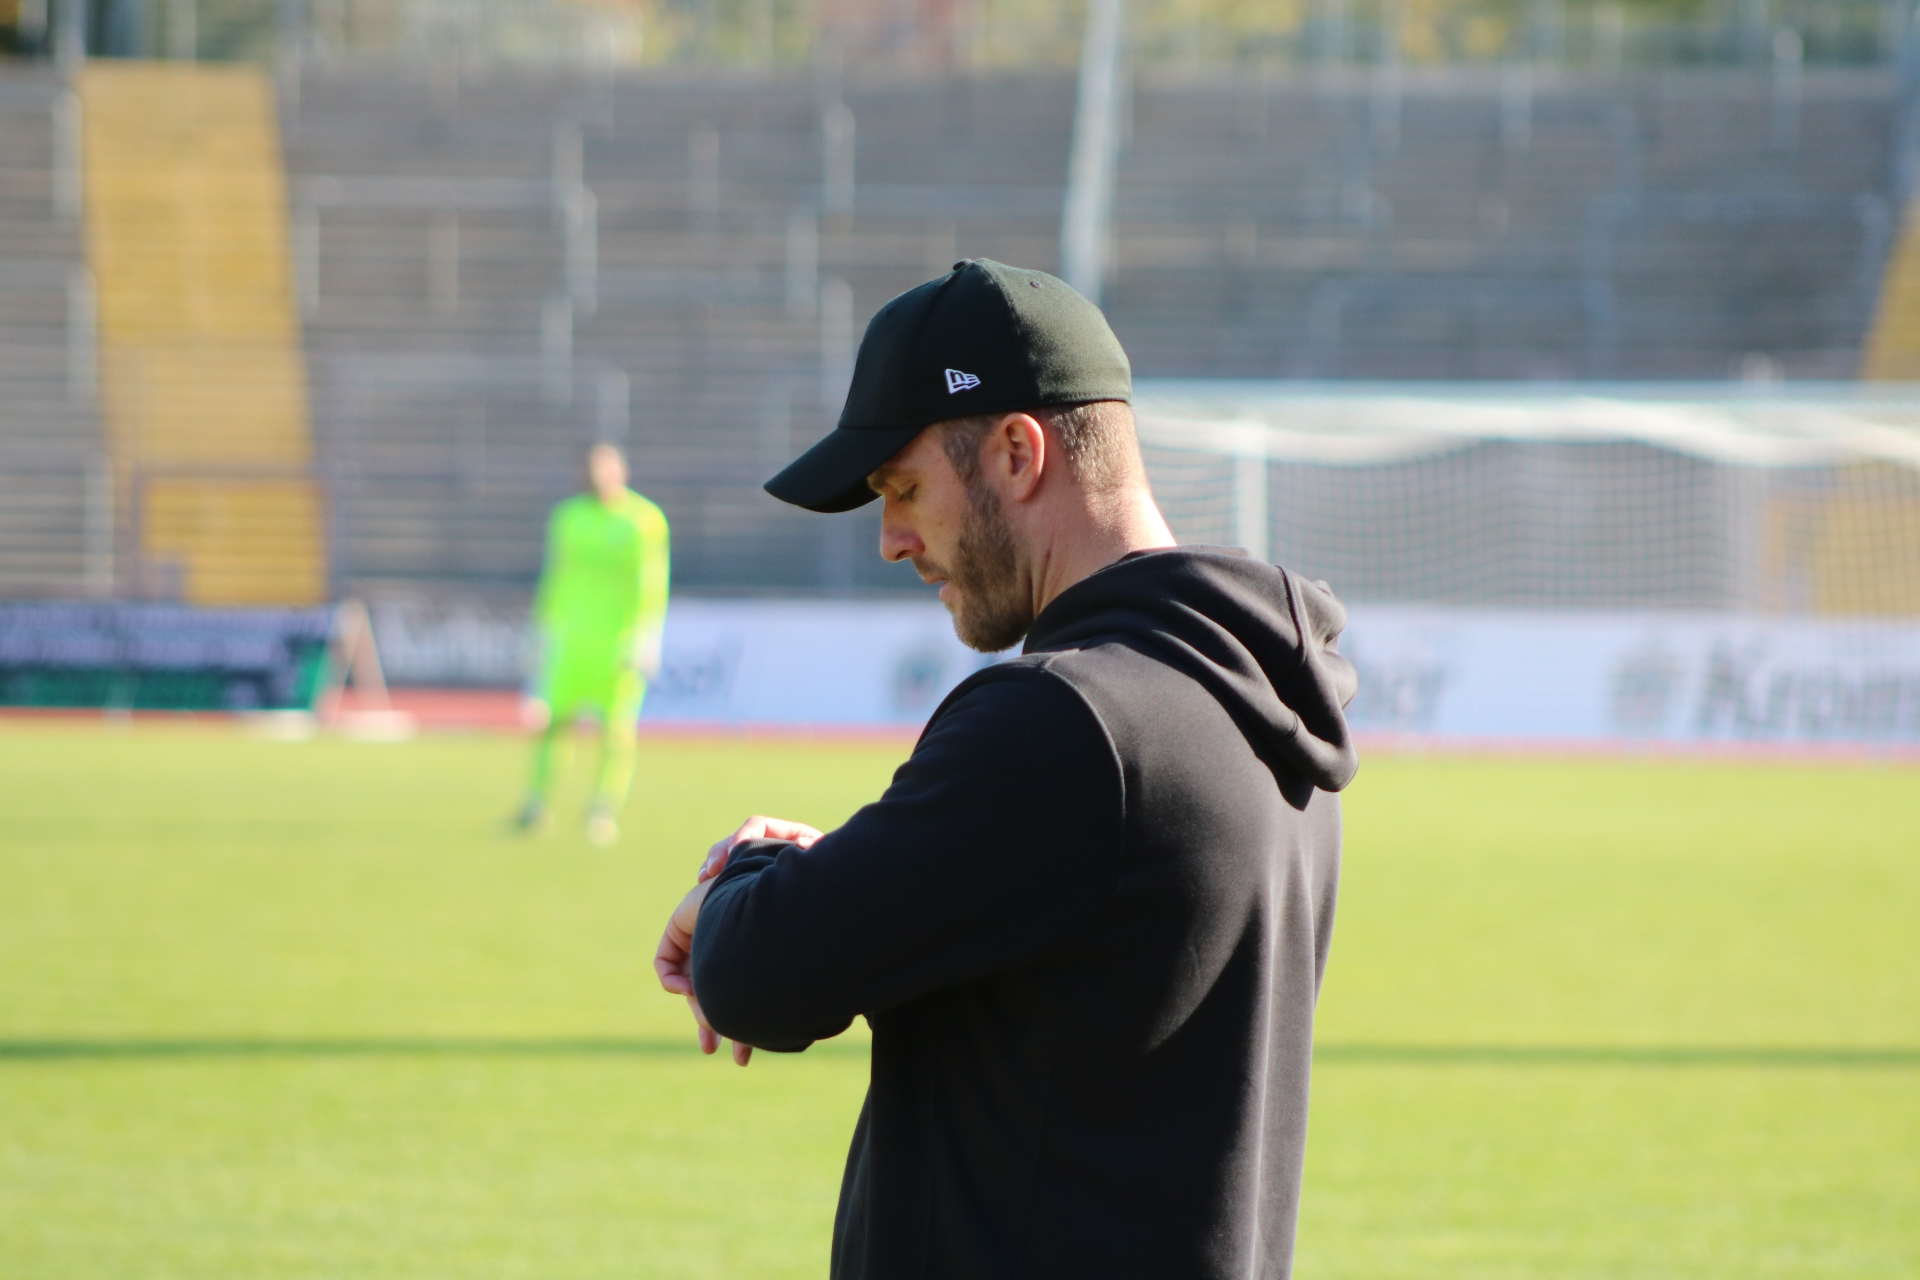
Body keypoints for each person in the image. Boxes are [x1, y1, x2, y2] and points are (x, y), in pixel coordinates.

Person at [654, 260, 1358, 1278]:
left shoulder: (1063, 718)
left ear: (1019, 453)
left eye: (904, 489)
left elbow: (756, 976)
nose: (892, 540)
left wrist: (743, 876)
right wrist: (842, 871)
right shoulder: (1260, 702)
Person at [514, 442, 670, 847]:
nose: (598, 478)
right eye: (591, 470)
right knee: (553, 724)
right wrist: (542, 629)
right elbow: (556, 575)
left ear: (622, 472)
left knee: (615, 730)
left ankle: (601, 810)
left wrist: (646, 636)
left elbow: (652, 583)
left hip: (617, 644)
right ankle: (536, 805)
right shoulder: (568, 517)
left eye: (606, 469)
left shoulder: (643, 520)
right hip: (571, 641)